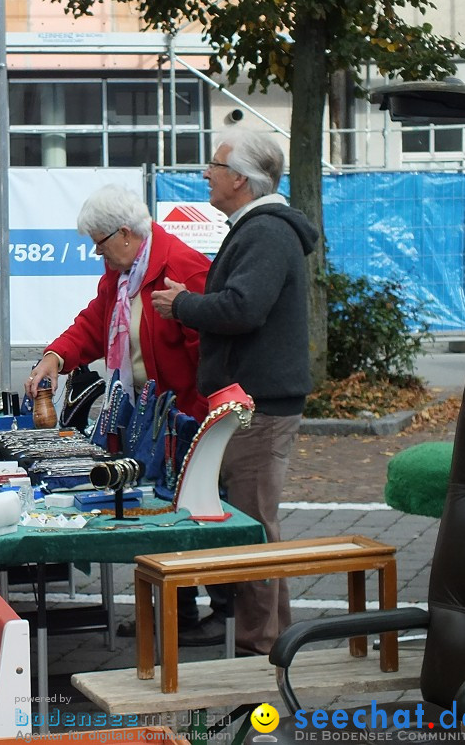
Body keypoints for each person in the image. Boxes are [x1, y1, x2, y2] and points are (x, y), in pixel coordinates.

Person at [151, 127, 319, 656]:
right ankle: (273, 643)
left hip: (259, 404)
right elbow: (242, 302)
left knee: (251, 528)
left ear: (240, 179)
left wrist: (182, 305)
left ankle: (257, 651)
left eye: (216, 165)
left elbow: (243, 308)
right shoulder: (259, 228)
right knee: (255, 525)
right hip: (253, 400)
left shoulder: (265, 232)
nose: (207, 173)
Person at [24, 183, 211, 635]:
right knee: (153, 511)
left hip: (183, 413)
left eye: (99, 242)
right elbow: (93, 323)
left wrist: (199, 421)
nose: (96, 252)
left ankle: (222, 612)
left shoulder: (181, 266)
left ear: (126, 234)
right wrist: (55, 356)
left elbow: (209, 349)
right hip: (145, 410)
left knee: (190, 510)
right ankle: (176, 613)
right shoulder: (121, 273)